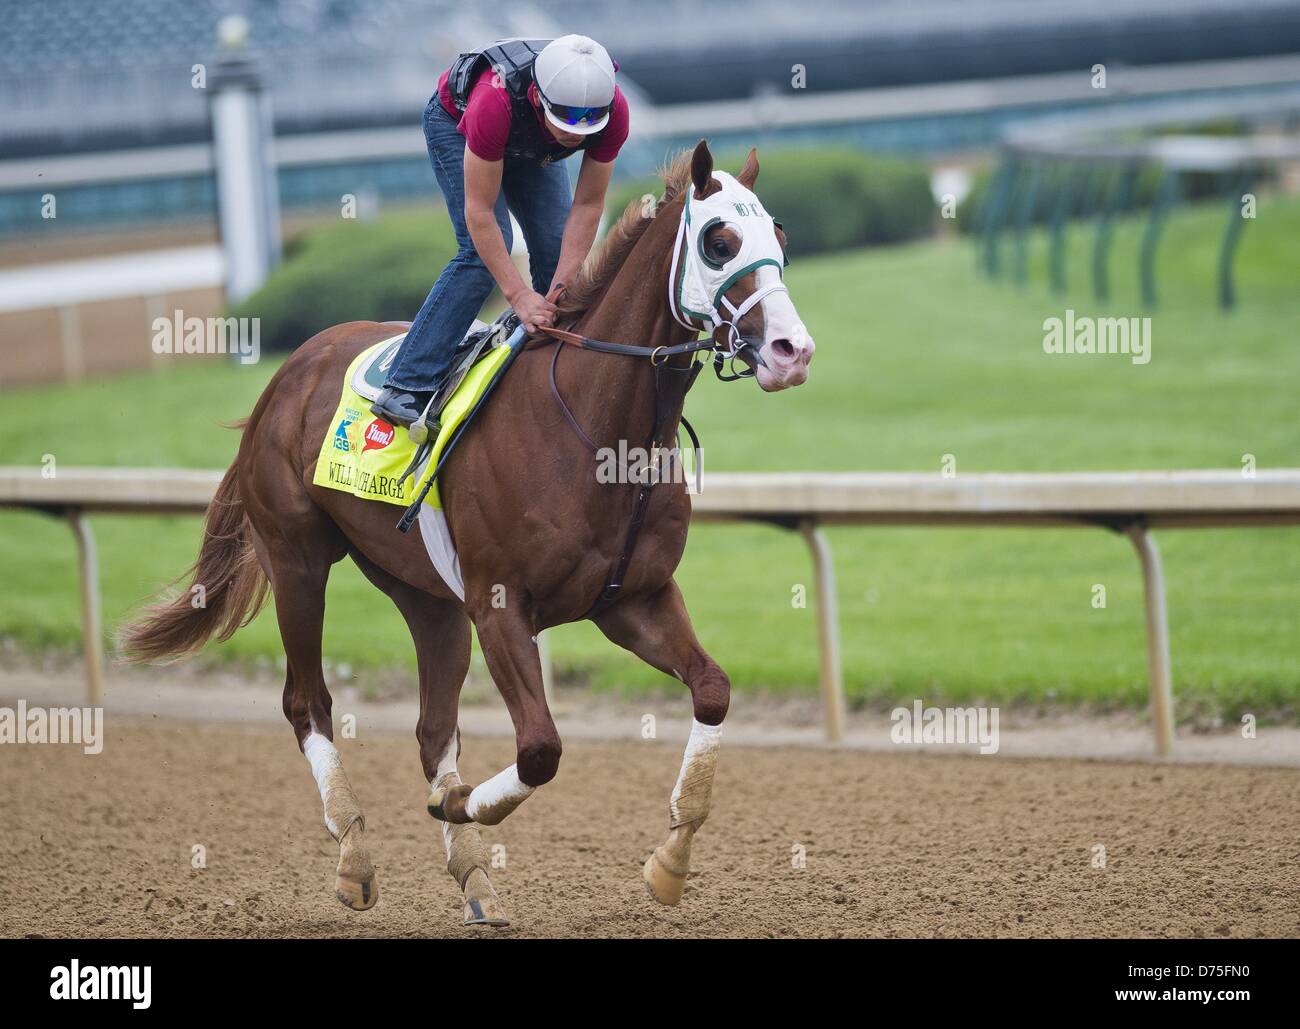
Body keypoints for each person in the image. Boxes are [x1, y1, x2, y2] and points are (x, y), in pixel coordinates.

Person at [372, 35, 630, 428]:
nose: (576, 133)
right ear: (539, 97)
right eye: (566, 118)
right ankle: (407, 382)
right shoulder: (493, 104)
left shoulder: (614, 112)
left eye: (587, 122)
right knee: (480, 255)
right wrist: (520, 295)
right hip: (459, 125)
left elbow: (588, 206)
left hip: (530, 141)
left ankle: (543, 374)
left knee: (557, 253)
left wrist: (558, 288)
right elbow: (479, 213)